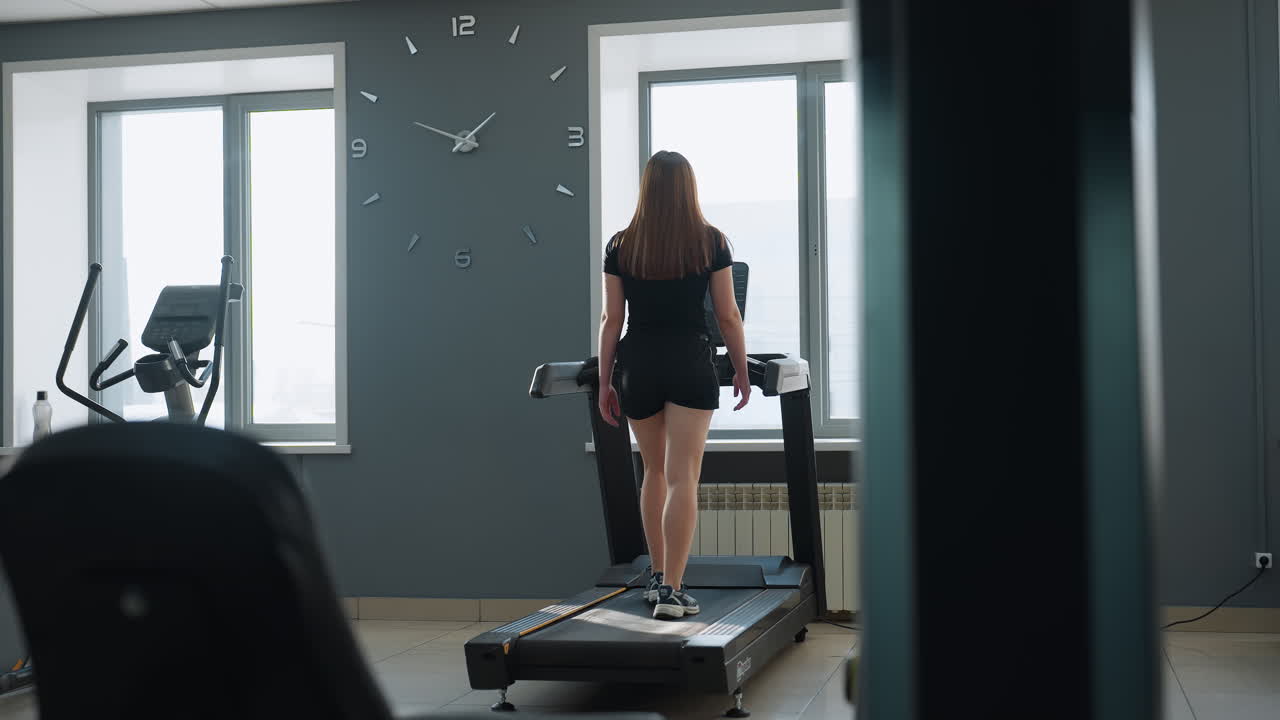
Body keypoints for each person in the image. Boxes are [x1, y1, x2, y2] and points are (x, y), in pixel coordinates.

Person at [596, 150, 750, 620]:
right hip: (689, 361)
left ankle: (659, 577)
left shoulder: (622, 245)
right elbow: (728, 315)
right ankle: (672, 591)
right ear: (688, 188)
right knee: (684, 476)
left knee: (654, 472)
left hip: (638, 363)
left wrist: (604, 381)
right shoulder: (711, 241)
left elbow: (611, 320)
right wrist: (741, 370)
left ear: (647, 188)